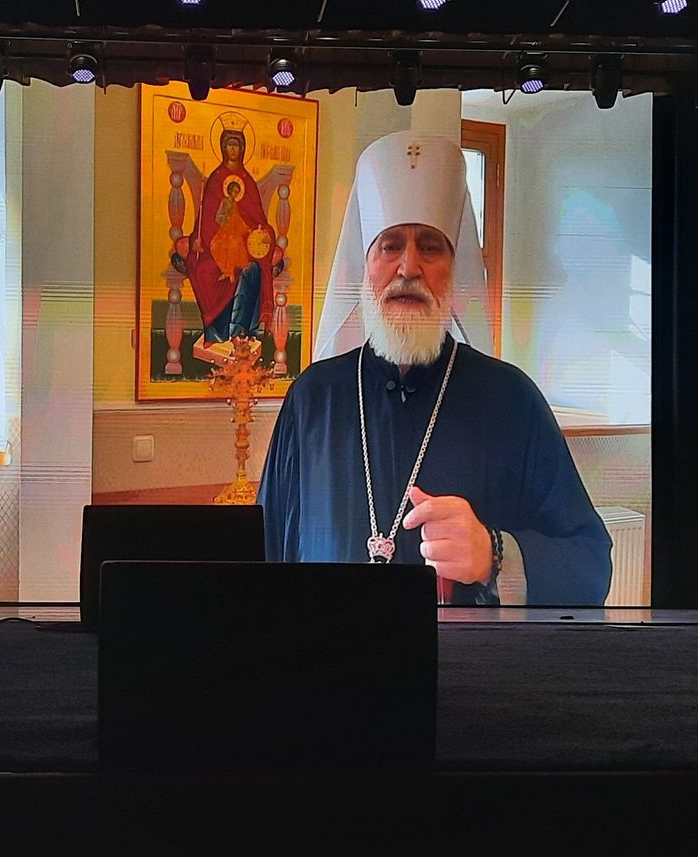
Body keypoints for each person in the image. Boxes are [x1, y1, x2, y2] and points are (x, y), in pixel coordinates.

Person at [258, 131, 612, 606]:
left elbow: (591, 567)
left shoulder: (511, 399)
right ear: (365, 266)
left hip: (464, 656)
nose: (408, 267)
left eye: (430, 247)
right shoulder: (311, 399)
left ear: (453, 268)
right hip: (329, 650)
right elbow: (264, 558)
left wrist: (494, 554)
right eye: (389, 246)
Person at [177, 125, 272, 358]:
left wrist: (260, 234)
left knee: (252, 270)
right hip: (217, 246)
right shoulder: (216, 179)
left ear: (242, 149)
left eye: (236, 145)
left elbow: (256, 220)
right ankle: (219, 332)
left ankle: (242, 331)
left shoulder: (248, 182)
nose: (232, 150)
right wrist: (199, 239)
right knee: (208, 270)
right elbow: (208, 220)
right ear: (222, 148)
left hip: (242, 247)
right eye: (229, 145)